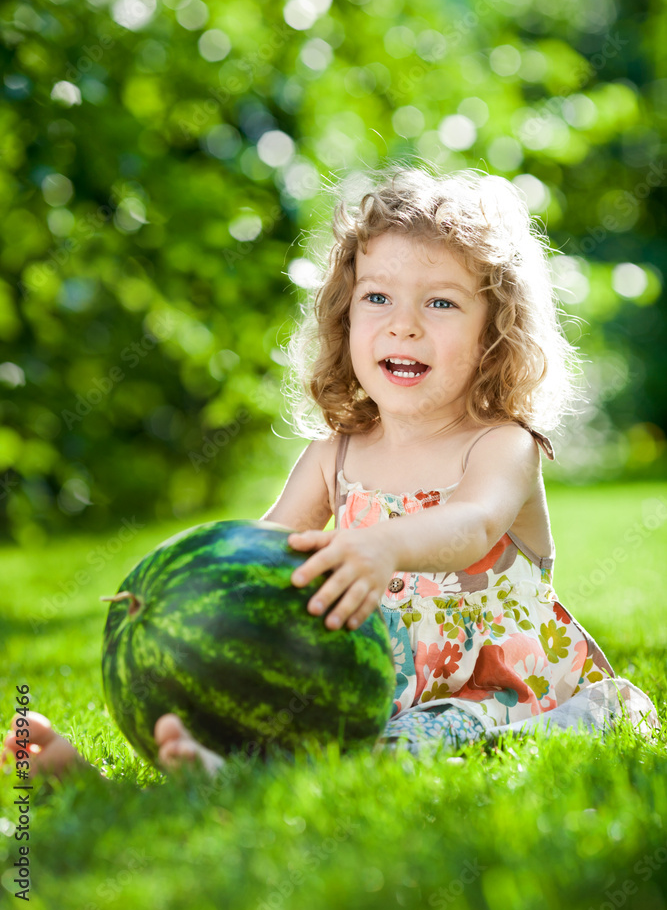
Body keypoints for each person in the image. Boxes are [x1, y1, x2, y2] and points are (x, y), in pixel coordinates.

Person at [2, 165, 660, 780]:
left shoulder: (499, 446)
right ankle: (121, 768)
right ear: (344, 318)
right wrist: (185, 605)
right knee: (299, 717)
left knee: (401, 746)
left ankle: (226, 777)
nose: (402, 326)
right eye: (377, 297)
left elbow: (471, 525)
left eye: (440, 304)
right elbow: (262, 563)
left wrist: (384, 545)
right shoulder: (333, 457)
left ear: (496, 330)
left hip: (492, 691)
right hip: (374, 687)